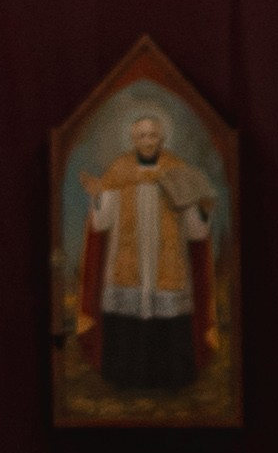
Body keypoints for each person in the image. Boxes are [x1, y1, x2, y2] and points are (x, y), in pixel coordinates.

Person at [75, 109, 218, 396]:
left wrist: (202, 211)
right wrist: (99, 194)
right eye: (141, 135)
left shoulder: (178, 171)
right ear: (132, 139)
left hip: (169, 267)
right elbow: (102, 222)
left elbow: (195, 231)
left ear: (162, 137)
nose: (148, 140)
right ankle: (125, 379)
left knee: (168, 321)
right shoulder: (118, 171)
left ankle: (171, 381)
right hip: (127, 266)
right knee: (127, 321)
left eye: (153, 134)